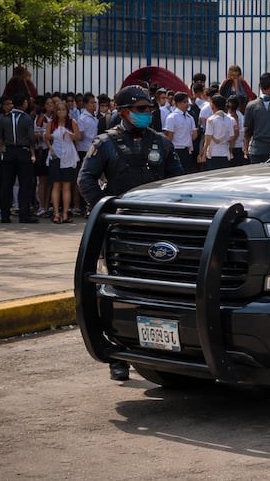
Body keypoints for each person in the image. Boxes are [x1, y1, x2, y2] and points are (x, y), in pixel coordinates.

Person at [77, 84, 183, 381]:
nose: (147, 114)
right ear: (123, 112)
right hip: (118, 231)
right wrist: (105, 212)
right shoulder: (105, 143)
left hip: (156, 231)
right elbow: (86, 180)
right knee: (115, 291)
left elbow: (177, 185)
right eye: (140, 110)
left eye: (150, 109)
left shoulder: (162, 144)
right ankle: (117, 353)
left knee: (160, 293)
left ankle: (160, 351)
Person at [0, 93, 38, 223]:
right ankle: (24, 215)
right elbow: (30, 138)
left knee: (6, 184)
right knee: (25, 184)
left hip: (8, 152)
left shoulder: (2, 118)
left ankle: (5, 215)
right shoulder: (26, 118)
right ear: (23, 103)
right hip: (23, 151)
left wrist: (2, 147)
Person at [45, 101, 80, 223]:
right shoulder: (51, 123)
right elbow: (46, 137)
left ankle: (65, 213)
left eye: (63, 110)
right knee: (56, 185)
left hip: (68, 156)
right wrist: (52, 140)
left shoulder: (72, 122)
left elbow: (78, 137)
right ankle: (56, 213)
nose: (61, 112)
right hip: (56, 155)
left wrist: (69, 133)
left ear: (67, 111)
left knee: (66, 186)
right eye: (58, 110)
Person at [198, 94, 238, 170]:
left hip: (213, 153)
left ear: (213, 105)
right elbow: (232, 137)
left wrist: (202, 153)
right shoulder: (230, 119)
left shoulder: (211, 120)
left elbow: (207, 140)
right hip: (225, 153)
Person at [163, 91, 198, 174]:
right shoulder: (172, 117)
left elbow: (194, 135)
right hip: (177, 149)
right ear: (177, 103)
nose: (186, 104)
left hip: (187, 150)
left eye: (187, 102)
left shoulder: (190, 117)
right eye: (184, 102)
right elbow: (169, 136)